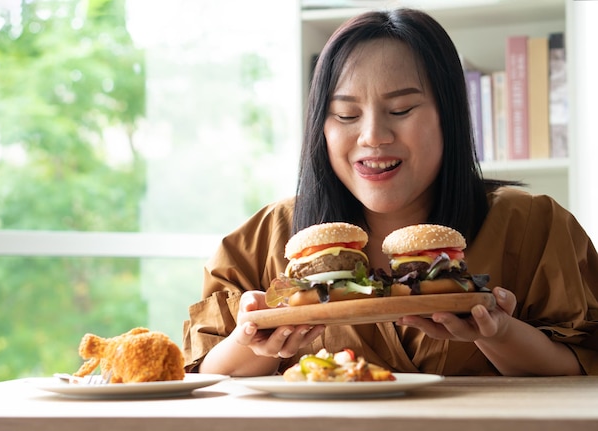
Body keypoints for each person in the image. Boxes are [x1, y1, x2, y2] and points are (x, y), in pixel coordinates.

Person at [182, 8, 598, 377]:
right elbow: (203, 372)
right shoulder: (268, 237)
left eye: (401, 110)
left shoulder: (535, 225)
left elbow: (583, 364)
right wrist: (253, 340)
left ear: (448, 116)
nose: (373, 137)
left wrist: (498, 331)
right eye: (346, 114)